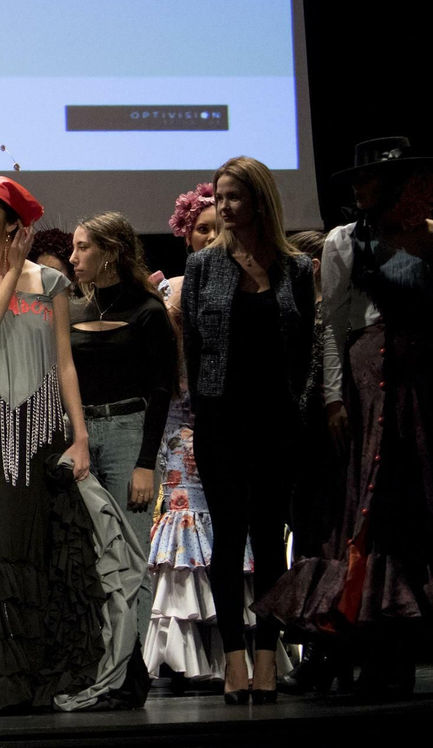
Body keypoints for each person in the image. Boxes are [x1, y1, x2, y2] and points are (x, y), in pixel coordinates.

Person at [258, 137, 432, 699]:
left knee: (408, 507)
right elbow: (332, 325)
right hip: (366, 382)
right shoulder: (344, 240)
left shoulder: (427, 236)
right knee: (361, 508)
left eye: (368, 178)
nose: (358, 188)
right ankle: (355, 653)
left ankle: (395, 654)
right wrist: (334, 397)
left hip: (417, 380)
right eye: (354, 180)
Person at [0, 174, 100, 715]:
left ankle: (33, 680)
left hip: (43, 425)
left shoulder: (52, 284)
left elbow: (65, 364)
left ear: (13, 224)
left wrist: (80, 435)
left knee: (38, 547)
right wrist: (9, 272)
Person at [179, 156, 314, 704]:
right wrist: (202, 414)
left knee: (269, 541)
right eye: (220, 196)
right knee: (229, 538)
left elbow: (305, 350)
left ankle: (267, 657)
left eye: (234, 196)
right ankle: (234, 657)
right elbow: (193, 346)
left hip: (276, 420)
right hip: (221, 420)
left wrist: (298, 412)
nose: (225, 206)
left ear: (260, 200)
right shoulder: (202, 267)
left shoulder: (295, 267)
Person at [67, 212, 176, 641]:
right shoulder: (74, 308)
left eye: (83, 247)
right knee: (87, 555)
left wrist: (145, 463)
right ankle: (97, 657)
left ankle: (132, 663)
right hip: (79, 435)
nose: (73, 258)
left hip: (128, 434)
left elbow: (162, 390)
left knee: (131, 556)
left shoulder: (147, 310)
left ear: (111, 252)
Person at [144, 183, 232, 685]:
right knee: (185, 516)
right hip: (181, 422)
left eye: (218, 228)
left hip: (230, 417)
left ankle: (231, 651)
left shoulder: (246, 282)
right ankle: (185, 655)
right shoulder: (170, 290)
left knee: (229, 526)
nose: (211, 237)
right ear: (185, 234)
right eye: (202, 229)